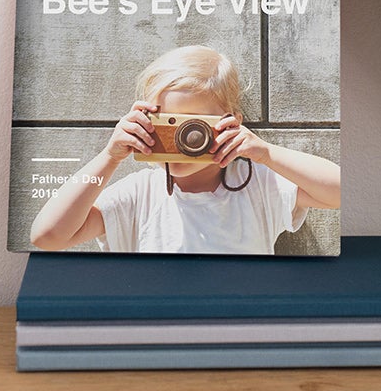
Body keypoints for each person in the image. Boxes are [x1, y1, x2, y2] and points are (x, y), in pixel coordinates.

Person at [29, 45, 340, 254]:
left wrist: (266, 153)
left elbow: (340, 192)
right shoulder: (139, 194)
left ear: (231, 122)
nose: (182, 140)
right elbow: (47, 237)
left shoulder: (259, 184)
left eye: (193, 127)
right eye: (166, 123)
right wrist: (109, 157)